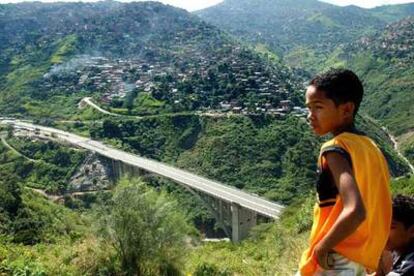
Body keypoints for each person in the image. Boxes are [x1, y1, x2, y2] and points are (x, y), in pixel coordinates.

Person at [297, 69, 392, 275]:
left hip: (333, 259)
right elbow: (380, 206)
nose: (310, 116)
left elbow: (356, 210)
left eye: (318, 107)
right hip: (362, 262)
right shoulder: (372, 149)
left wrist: (322, 246)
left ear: (347, 109)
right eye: (309, 108)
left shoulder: (335, 148)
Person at [385, 195, 414, 276]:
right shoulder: (398, 250)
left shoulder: (409, 265)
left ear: (412, 231)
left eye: (391, 227)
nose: (383, 231)